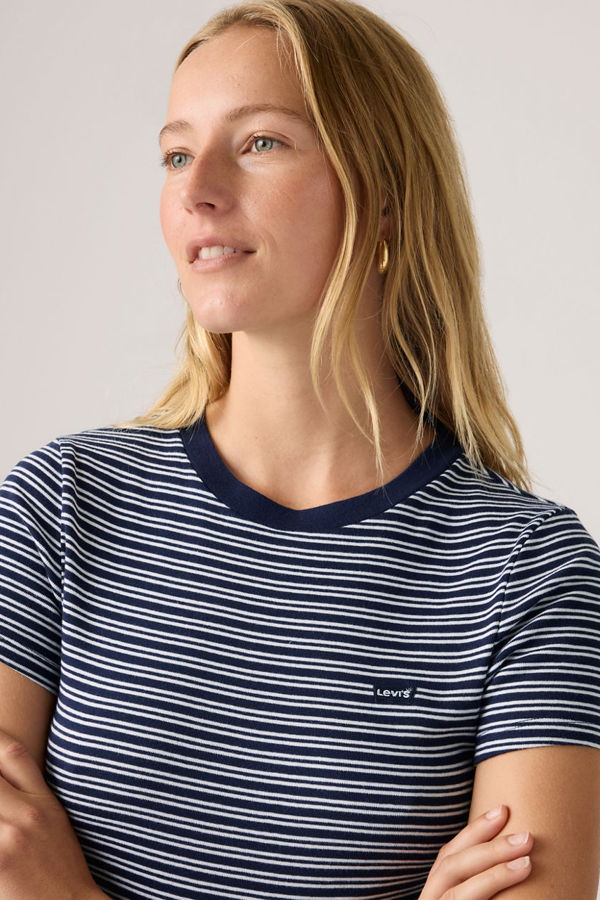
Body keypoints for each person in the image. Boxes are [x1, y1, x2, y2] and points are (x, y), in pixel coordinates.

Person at [0, 0, 598, 898]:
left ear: (385, 192)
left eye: (260, 143)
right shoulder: (61, 505)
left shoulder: (527, 573)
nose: (197, 188)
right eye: (176, 154)